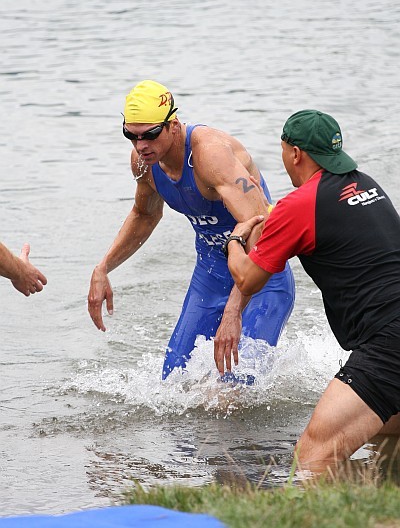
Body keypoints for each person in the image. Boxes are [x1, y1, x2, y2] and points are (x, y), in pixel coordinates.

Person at [221, 109, 400, 471]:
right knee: (388, 434)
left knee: (313, 455)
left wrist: (236, 238)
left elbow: (247, 279)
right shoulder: (367, 185)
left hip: (388, 343)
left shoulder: (300, 205)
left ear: (295, 154)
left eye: (284, 149)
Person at [87, 80, 295, 380]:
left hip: (262, 278)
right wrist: (103, 267)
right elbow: (145, 214)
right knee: (173, 383)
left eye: (150, 135)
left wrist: (234, 310)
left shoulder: (209, 155)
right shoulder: (144, 162)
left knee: (235, 388)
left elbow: (263, 231)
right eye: (130, 135)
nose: (140, 145)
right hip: (210, 275)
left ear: (173, 125)